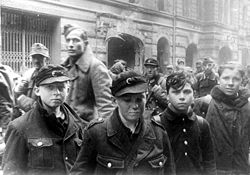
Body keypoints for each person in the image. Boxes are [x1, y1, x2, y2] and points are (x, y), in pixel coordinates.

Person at [70, 70, 175, 175]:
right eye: (127, 100)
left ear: (146, 97)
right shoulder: (96, 133)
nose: (135, 106)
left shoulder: (159, 133)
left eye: (139, 99)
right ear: (115, 100)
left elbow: (170, 171)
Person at [3, 64, 86, 175]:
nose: (56, 92)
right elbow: (12, 171)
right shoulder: (19, 128)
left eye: (61, 87)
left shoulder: (78, 126)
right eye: (50, 87)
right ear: (37, 91)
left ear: (68, 90)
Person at [155, 72, 216, 175]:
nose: (182, 97)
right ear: (167, 95)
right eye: (176, 92)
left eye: (187, 92)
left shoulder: (201, 124)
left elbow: (209, 162)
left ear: (194, 94)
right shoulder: (157, 124)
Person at [62, 24, 114, 122]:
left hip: (86, 129)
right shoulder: (65, 67)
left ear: (85, 44)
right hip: (66, 127)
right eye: (68, 40)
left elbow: (106, 108)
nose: (71, 44)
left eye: (76, 40)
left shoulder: (95, 67)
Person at [206, 63, 250, 175]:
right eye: (225, 78)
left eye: (236, 79)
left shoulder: (247, 106)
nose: (230, 83)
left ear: (242, 81)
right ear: (218, 78)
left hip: (241, 166)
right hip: (216, 166)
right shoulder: (206, 104)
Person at [14, 43, 50, 113]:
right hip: (29, 115)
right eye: (34, 57)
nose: (36, 61)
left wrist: (24, 102)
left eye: (40, 57)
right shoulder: (29, 74)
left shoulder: (51, 76)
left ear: (47, 59)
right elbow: (17, 94)